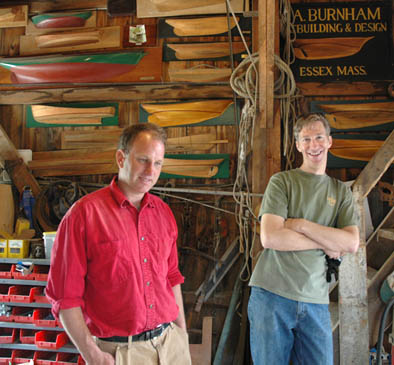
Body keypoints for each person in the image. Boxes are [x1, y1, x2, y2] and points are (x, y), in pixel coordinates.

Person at [46, 123, 192, 365]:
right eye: (143, 160)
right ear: (120, 158)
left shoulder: (163, 213)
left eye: (158, 163)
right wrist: (92, 355)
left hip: (171, 345)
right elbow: (65, 297)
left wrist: (182, 334)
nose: (150, 171)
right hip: (120, 353)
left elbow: (172, 277)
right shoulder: (84, 215)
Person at [248, 113, 360, 365]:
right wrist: (328, 240)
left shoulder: (340, 192)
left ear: (329, 141)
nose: (313, 145)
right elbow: (271, 237)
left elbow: (351, 243)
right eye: (306, 139)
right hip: (272, 295)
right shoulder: (282, 182)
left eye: (319, 137)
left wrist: (299, 225)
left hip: (315, 300)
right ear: (298, 145)